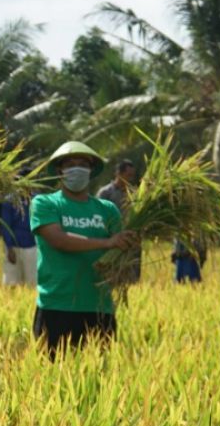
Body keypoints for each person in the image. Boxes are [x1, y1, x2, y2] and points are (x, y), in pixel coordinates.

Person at [31, 141, 139, 358]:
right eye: (70, 164)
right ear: (60, 171)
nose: (77, 168)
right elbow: (58, 240)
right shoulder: (45, 203)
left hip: (99, 307)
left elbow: (119, 251)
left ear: (91, 171)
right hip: (57, 306)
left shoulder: (107, 210)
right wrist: (107, 243)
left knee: (100, 379)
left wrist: (128, 246)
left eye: (83, 164)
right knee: (52, 379)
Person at [96, 158, 142, 286]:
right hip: (112, 242)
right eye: (128, 175)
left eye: (132, 176)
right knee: (113, 279)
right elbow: (98, 217)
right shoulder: (105, 193)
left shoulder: (134, 193)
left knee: (133, 281)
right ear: (118, 174)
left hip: (131, 241)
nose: (130, 179)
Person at [0, 196, 37, 287]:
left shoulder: (36, 199)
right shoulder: (9, 201)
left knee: (32, 282)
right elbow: (6, 225)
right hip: (14, 247)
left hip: (31, 246)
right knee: (11, 283)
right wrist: (9, 247)